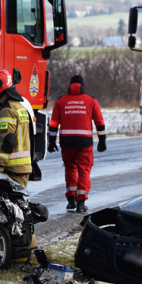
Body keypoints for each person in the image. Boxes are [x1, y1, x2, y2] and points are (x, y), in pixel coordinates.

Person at [47, 74, 106, 213]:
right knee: (84, 170)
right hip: (84, 142)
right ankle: (81, 202)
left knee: (70, 168)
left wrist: (51, 141)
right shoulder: (91, 100)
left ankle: (71, 200)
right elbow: (99, 122)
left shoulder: (61, 101)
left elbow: (54, 123)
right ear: (82, 86)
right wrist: (102, 140)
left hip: (66, 142)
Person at [0, 69, 32, 187]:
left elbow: (7, 141)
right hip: (21, 168)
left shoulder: (7, 110)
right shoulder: (19, 106)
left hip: (12, 170)